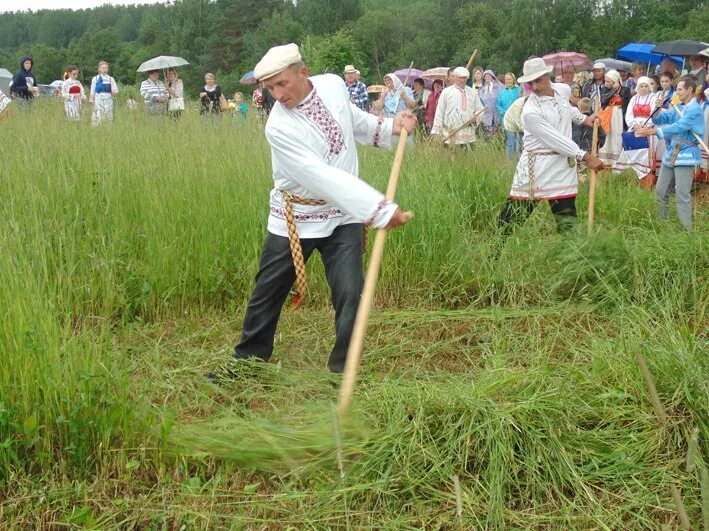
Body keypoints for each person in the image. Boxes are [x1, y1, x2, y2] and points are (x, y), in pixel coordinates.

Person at [215, 43, 415, 376]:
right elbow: (323, 178)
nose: (277, 94)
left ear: (303, 72)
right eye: (270, 88)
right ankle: (247, 362)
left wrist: (390, 126)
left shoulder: (335, 86)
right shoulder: (279, 128)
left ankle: (343, 368)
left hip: (343, 217)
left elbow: (352, 119)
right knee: (269, 292)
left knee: (352, 291)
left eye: (282, 83)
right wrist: (377, 209)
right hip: (297, 217)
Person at [498, 58, 604, 235]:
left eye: (538, 80)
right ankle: (493, 253)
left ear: (547, 76)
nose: (535, 86)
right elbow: (555, 139)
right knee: (514, 217)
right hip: (537, 168)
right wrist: (585, 156)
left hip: (562, 167)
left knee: (567, 219)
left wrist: (584, 119)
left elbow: (566, 109)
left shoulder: (562, 90)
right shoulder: (530, 111)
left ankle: (573, 257)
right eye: (530, 82)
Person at [635, 76, 704, 232]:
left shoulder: (695, 110)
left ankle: (687, 232)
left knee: (682, 194)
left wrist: (653, 131)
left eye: (680, 89)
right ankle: (662, 225)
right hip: (672, 152)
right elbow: (665, 119)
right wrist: (658, 109)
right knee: (660, 192)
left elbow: (680, 126)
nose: (677, 92)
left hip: (686, 154)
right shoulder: (679, 106)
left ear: (690, 90)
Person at [614, 76, 656, 179]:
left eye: (646, 86)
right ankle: (629, 174)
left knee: (644, 153)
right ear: (638, 87)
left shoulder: (653, 98)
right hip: (634, 129)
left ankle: (644, 176)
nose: (644, 88)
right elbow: (628, 115)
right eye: (641, 86)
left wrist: (644, 125)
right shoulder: (634, 98)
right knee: (630, 151)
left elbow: (654, 114)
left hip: (647, 130)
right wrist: (635, 125)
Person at [430, 67, 484, 147]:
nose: (462, 80)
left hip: (469, 136)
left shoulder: (473, 93)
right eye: (460, 78)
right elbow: (439, 112)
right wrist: (436, 133)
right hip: (450, 136)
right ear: (454, 77)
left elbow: (480, 110)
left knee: (468, 159)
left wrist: (475, 118)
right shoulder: (446, 92)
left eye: (464, 78)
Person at [597, 69, 630, 164]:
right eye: (605, 81)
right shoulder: (604, 89)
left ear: (615, 81)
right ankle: (605, 159)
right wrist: (613, 90)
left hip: (618, 117)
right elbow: (604, 100)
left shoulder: (625, 90)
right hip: (607, 116)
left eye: (608, 81)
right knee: (608, 136)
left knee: (617, 135)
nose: (606, 83)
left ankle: (617, 160)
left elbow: (627, 103)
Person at [497, 72, 522, 159]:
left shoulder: (518, 90)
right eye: (506, 79)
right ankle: (510, 159)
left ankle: (520, 158)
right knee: (510, 140)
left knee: (519, 139)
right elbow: (498, 104)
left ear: (513, 79)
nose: (508, 81)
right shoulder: (502, 92)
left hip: (517, 117)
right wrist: (503, 111)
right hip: (507, 118)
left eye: (509, 79)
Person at [89, 61, 118, 126]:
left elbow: (115, 90)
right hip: (98, 99)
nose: (105, 70)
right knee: (98, 114)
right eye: (103, 68)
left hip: (108, 100)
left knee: (108, 115)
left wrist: (114, 92)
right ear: (99, 69)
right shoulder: (95, 79)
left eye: (106, 68)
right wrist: (91, 101)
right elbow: (92, 91)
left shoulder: (111, 79)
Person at [479, 69, 503, 138]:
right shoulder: (483, 89)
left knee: (498, 135)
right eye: (485, 76)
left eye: (488, 76)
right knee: (488, 136)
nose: (487, 78)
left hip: (497, 114)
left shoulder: (499, 86)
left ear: (492, 76)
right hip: (486, 115)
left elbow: (502, 97)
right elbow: (480, 102)